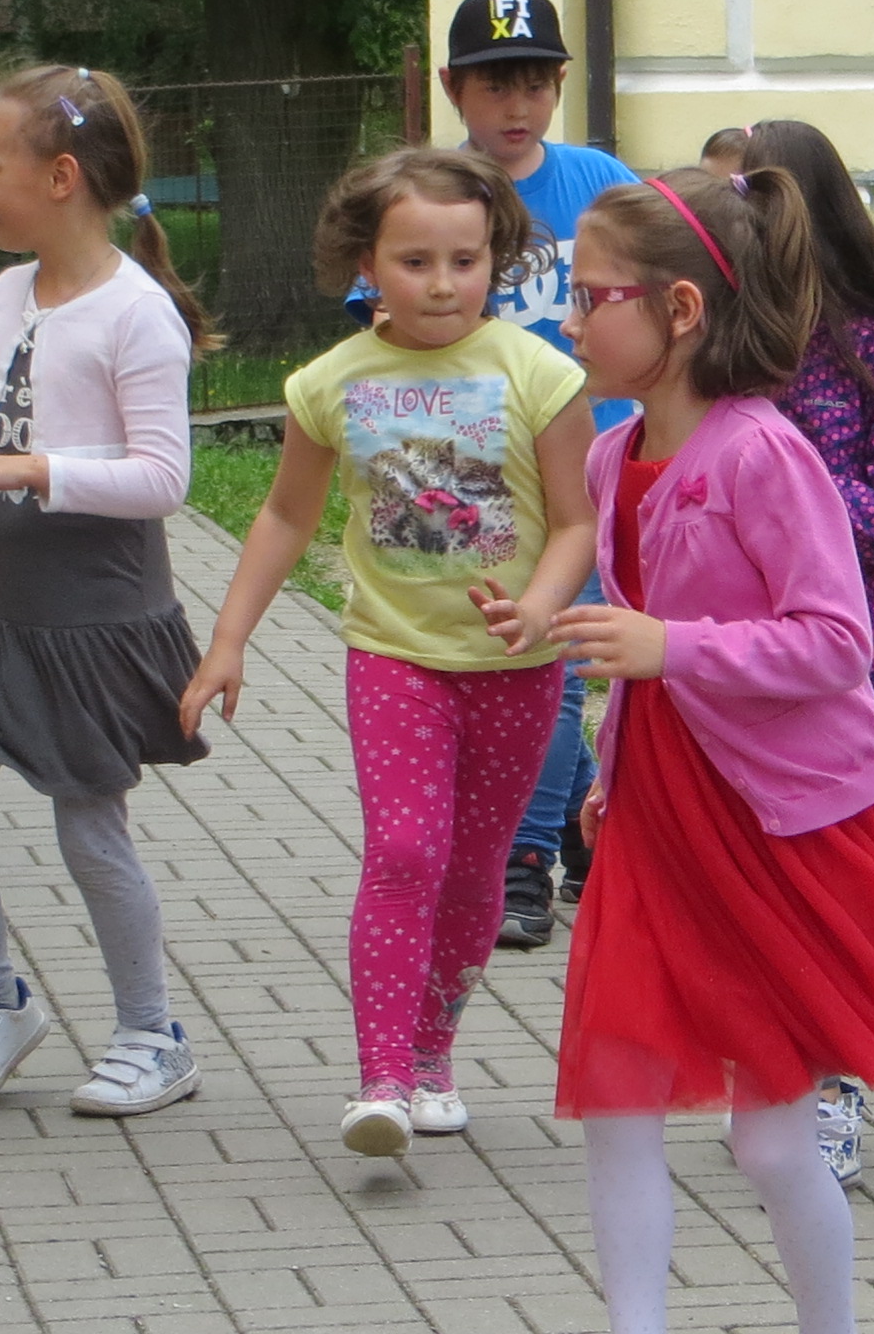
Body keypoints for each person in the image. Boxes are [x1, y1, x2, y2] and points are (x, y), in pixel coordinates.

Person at [515, 161, 874, 1334]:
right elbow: (632, 646)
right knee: (615, 1100)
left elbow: (837, 644)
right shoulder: (610, 452)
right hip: (657, 816)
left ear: (684, 308)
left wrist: (669, 646)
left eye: (591, 297)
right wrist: (590, 696)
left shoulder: (764, 451)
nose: (570, 319)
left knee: (772, 1141)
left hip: (785, 826)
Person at [181, 142, 598, 1159]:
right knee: (406, 854)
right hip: (395, 658)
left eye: (464, 259)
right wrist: (227, 641)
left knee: (474, 875)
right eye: (415, 261)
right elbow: (283, 516)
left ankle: (432, 1054)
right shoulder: (330, 383)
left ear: (495, 256)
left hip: (515, 669)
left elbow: (580, 524)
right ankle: (379, 1080)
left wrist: (541, 610)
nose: (443, 283)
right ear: (365, 263)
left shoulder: (541, 374)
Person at [0, 63, 214, 1120]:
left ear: (63, 177)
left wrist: (28, 470)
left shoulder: (138, 316)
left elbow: (164, 480)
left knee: (90, 833)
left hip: (95, 619)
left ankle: (152, 1034)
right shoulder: (3, 296)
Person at [718, 119, 874, 1186]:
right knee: (755, 904)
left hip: (863, 685)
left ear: (804, 211)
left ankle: (834, 1088)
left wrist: (794, 502)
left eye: (749, 203)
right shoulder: (725, 349)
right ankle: (773, 1077)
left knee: (844, 906)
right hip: (736, 684)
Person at [427, 0, 638, 955]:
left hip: (590, 466)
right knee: (507, 661)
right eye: (492, 85)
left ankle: (524, 859)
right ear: (451, 90)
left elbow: (666, 281)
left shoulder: (595, 179)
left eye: (534, 84)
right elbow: (381, 312)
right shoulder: (430, 191)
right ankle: (591, 819)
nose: (515, 107)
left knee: (549, 662)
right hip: (471, 477)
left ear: (558, 88)